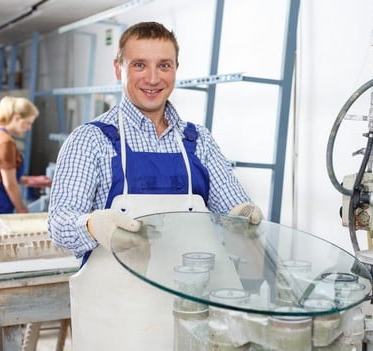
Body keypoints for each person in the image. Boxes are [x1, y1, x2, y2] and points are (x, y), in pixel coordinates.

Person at [48, 21, 262, 259]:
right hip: (113, 292)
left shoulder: (199, 140)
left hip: (190, 287)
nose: (152, 78)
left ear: (176, 69)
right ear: (119, 68)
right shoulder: (90, 140)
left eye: (164, 65)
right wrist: (91, 224)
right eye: (139, 65)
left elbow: (232, 207)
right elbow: (59, 224)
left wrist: (242, 213)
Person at [0, 96, 50, 241]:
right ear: (16, 118)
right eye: (27, 123)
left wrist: (33, 180)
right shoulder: (4, 142)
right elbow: (10, 184)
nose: (29, 128)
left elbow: (0, 176)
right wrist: (22, 209)